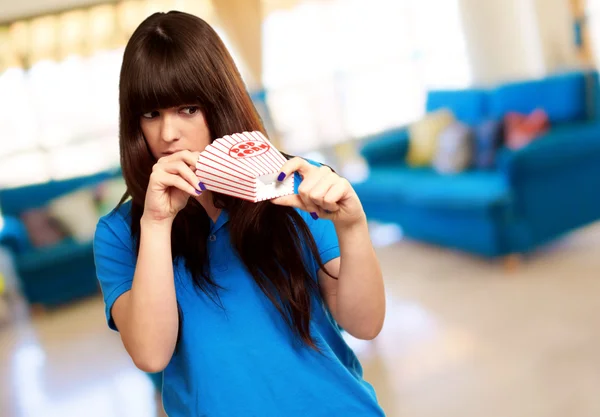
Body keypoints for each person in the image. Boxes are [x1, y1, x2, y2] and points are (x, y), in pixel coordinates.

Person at [93, 10, 386, 417]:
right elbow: (151, 354)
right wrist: (157, 223)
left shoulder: (294, 182)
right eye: (151, 114)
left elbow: (365, 324)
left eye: (188, 109)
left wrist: (352, 228)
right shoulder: (120, 233)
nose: (167, 134)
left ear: (219, 103)